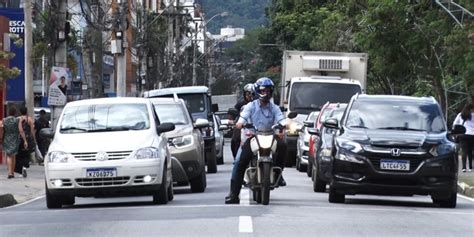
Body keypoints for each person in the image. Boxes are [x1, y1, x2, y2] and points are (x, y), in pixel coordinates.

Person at [225, 77, 287, 204]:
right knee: (240, 162)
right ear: (258, 91)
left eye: (269, 91)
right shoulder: (250, 106)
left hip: (270, 135)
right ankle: (234, 194)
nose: (266, 93)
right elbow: (243, 117)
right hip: (253, 136)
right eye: (263, 91)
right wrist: (240, 123)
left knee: (283, 145)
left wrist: (284, 123)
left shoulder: (274, 107)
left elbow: (281, 118)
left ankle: (278, 174)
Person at [230, 83, 254, 159]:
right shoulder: (240, 104)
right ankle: (237, 158)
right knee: (235, 139)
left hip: (257, 127)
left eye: (252, 94)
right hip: (244, 127)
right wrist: (232, 121)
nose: (250, 96)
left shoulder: (260, 104)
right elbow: (232, 116)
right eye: (248, 94)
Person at [15, 106, 37, 178]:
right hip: (28, 138)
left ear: (20, 112)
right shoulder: (29, 119)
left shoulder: (18, 119)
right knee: (26, 154)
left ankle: (20, 171)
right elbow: (32, 130)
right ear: (26, 111)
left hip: (19, 139)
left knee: (19, 155)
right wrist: (34, 138)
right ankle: (24, 167)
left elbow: (19, 130)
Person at [2, 106, 23, 178]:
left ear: (8, 112)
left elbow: (2, 130)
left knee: (8, 155)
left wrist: (1, 138)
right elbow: (20, 130)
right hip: (15, 138)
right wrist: (25, 140)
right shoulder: (17, 120)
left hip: (7, 138)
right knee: (14, 156)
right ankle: (12, 172)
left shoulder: (4, 120)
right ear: (15, 113)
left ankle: (9, 172)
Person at [452, 102, 474, 172]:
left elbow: (455, 124)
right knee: (470, 151)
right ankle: (470, 167)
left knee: (464, 151)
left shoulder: (460, 115)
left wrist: (456, 133)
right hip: (472, 135)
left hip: (462, 135)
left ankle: (463, 167)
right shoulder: (473, 115)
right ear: (471, 109)